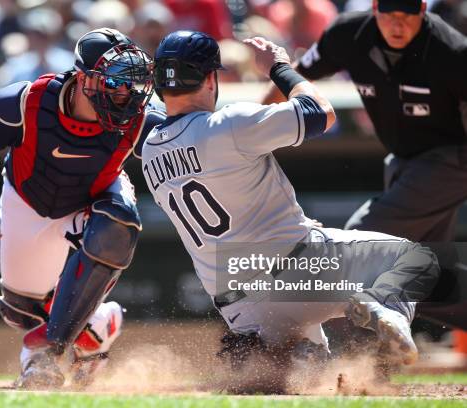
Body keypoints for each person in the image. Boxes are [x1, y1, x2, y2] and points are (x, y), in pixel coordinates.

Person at [142, 30, 439, 372]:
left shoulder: (151, 151)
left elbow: (215, 139)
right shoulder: (229, 124)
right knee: (417, 258)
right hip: (301, 270)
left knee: (310, 382)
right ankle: (381, 304)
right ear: (211, 77)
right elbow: (320, 113)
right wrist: (280, 67)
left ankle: (285, 357)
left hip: (242, 308)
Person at [0, 28, 164, 388]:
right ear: (83, 78)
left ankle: (49, 353)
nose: (125, 93)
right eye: (114, 81)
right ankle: (96, 327)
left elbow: (186, 145)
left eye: (130, 83)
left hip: (94, 198)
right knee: (19, 310)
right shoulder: (26, 102)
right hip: (29, 198)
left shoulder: (141, 117)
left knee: (117, 224)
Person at [262, 0, 467, 330]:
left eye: (407, 16)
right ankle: (372, 356)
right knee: (429, 279)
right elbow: (297, 76)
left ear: (423, 11)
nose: (397, 25)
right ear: (375, 9)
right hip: (404, 160)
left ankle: (339, 359)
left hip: (452, 161)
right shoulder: (348, 34)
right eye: (390, 15)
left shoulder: (452, 51)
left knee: (360, 244)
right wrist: (258, 129)